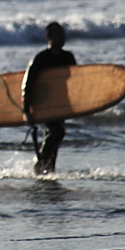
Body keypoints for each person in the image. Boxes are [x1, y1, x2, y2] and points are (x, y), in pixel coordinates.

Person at [22, 22, 76, 175]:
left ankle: (48, 171)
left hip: (61, 103)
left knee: (54, 136)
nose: (62, 38)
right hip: (43, 103)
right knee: (56, 132)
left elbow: (78, 82)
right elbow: (28, 83)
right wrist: (26, 109)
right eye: (58, 35)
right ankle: (40, 165)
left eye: (63, 35)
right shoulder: (41, 58)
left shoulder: (68, 57)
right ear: (48, 37)